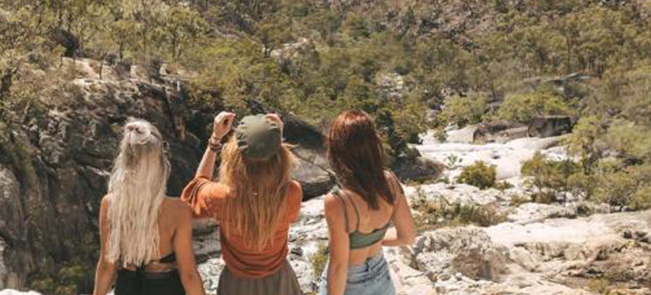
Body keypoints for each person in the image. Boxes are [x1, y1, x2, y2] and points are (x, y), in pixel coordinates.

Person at [182, 112, 304, 295]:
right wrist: (273, 137)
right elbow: (278, 178)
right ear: (279, 155)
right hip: (280, 282)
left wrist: (215, 140)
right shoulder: (292, 192)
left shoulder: (221, 197)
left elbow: (194, 190)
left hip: (236, 285)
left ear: (234, 157)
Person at [93, 119, 206, 295]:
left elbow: (108, 265)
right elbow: (189, 274)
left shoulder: (110, 204)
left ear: (125, 160)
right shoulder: (178, 210)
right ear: (160, 162)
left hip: (127, 287)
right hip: (166, 287)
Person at [319, 110, 417, 295]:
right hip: (380, 274)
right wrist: (374, 240)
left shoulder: (337, 201)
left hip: (350, 281)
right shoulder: (390, 182)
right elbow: (408, 236)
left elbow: (339, 266)